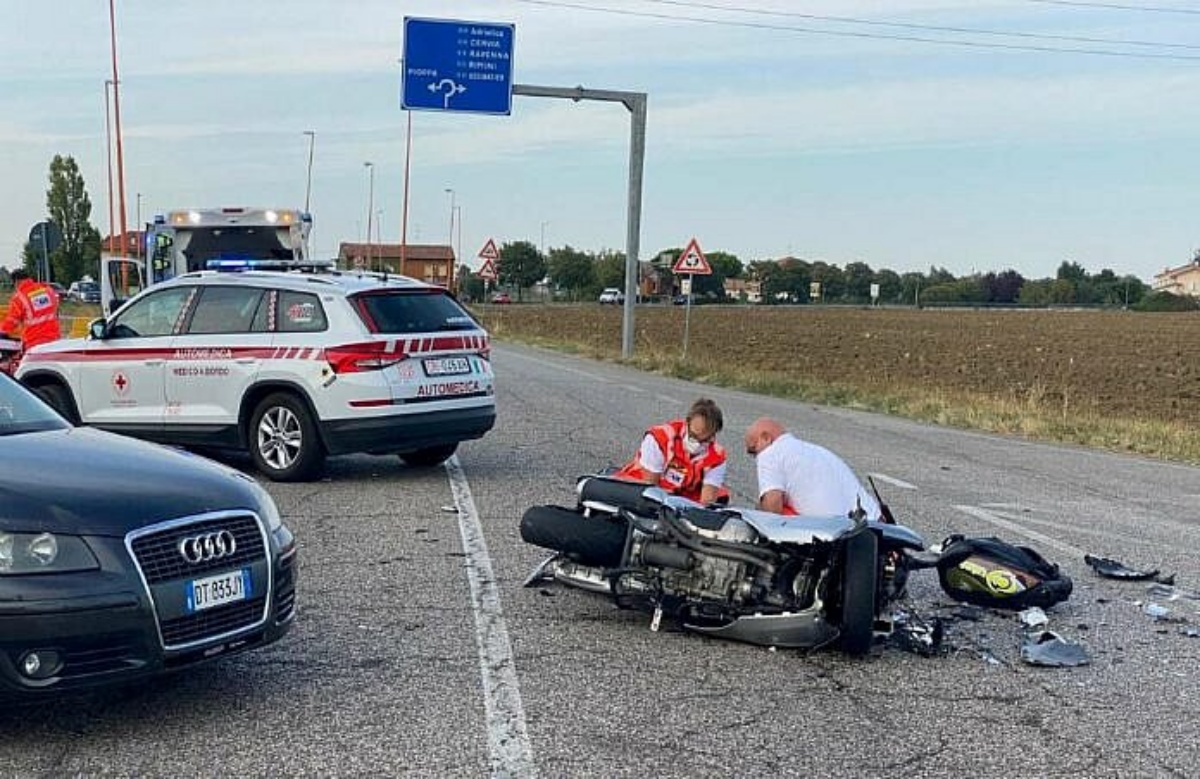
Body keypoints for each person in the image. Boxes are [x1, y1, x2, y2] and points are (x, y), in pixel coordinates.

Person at [743, 417, 880, 519]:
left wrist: (759, 508)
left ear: (766, 438)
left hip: (838, 538)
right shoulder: (818, 451)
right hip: (874, 525)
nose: (755, 457)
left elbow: (772, 511)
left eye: (753, 450)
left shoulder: (770, 454)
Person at [612, 398, 729, 504]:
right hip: (640, 487)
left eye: (704, 440)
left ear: (713, 435)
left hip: (683, 500)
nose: (697, 443)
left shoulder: (717, 456)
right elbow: (649, 488)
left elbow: (707, 502)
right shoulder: (659, 438)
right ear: (686, 423)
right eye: (693, 436)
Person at [2, 269, 61, 351]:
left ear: (16, 281)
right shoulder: (48, 290)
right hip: (54, 340)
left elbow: (12, 321)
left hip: (34, 343)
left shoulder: (19, 298)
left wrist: (2, 331)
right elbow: (55, 310)